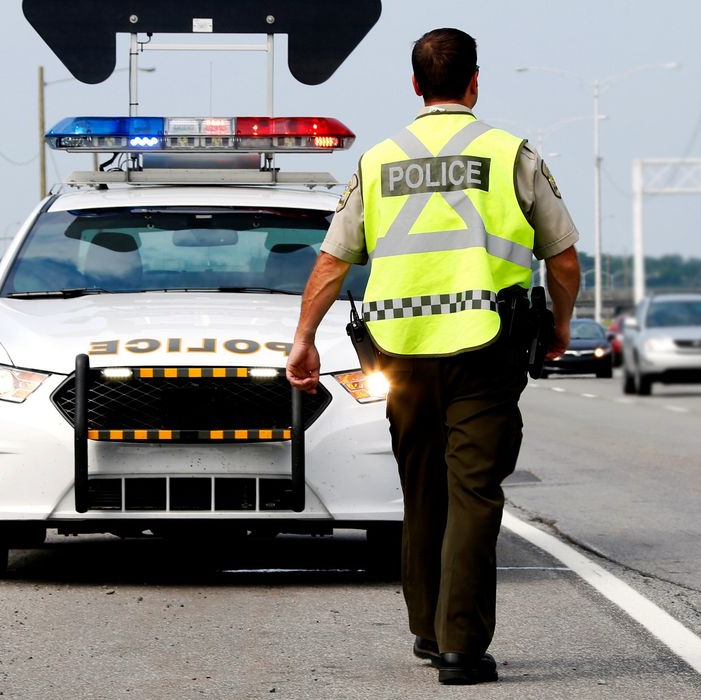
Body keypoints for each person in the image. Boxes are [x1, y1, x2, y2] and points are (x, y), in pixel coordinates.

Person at [286, 28, 581, 685]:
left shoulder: (379, 159)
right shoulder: (509, 154)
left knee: (421, 491)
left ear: (415, 86)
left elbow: (333, 259)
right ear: (474, 83)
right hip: (485, 346)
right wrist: (559, 326)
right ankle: (460, 647)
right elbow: (560, 258)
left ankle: (427, 629)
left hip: (399, 352)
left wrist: (303, 337)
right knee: (472, 491)